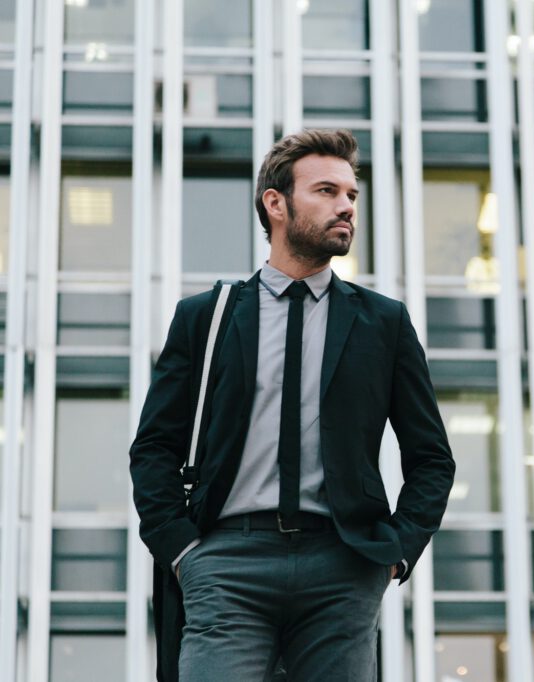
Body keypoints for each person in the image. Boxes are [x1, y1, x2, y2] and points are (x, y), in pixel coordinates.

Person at [130, 128, 455, 681]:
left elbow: (432, 457)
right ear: (275, 204)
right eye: (327, 191)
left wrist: (394, 551)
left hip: (343, 565)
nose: (346, 207)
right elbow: (155, 447)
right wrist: (184, 552)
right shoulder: (206, 317)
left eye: (351, 195)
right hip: (227, 561)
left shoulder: (384, 323)